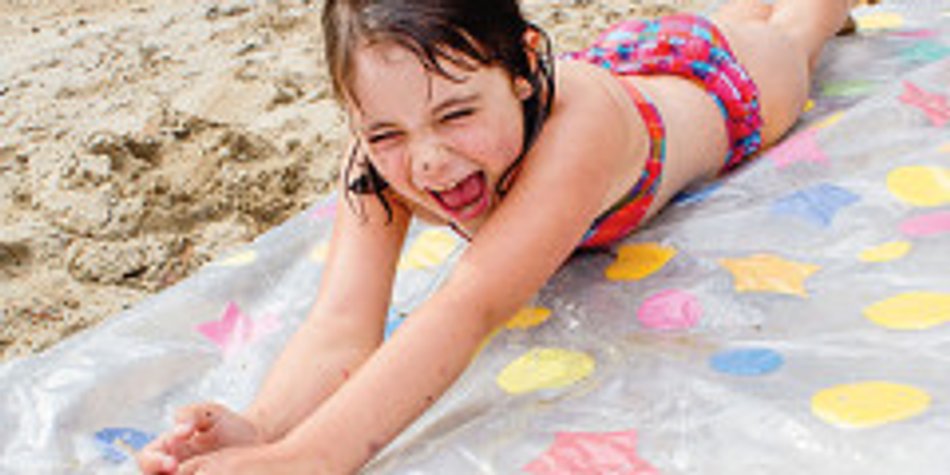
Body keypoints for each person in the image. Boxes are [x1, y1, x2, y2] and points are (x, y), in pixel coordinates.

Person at [138, 0, 856, 472]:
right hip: (617, 60)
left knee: (793, 32)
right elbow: (340, 322)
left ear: (521, 68)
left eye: (456, 115)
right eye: (385, 131)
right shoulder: (383, 154)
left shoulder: (580, 137)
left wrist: (309, 459)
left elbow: (469, 303)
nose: (428, 161)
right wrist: (263, 427)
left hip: (718, 85)